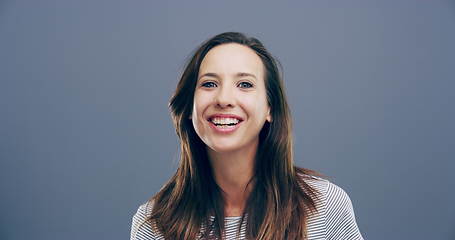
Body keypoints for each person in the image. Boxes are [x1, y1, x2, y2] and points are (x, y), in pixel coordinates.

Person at [130, 32, 363, 240]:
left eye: (244, 84)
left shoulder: (324, 205)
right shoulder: (153, 224)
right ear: (189, 107)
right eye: (209, 84)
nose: (224, 99)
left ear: (270, 108)